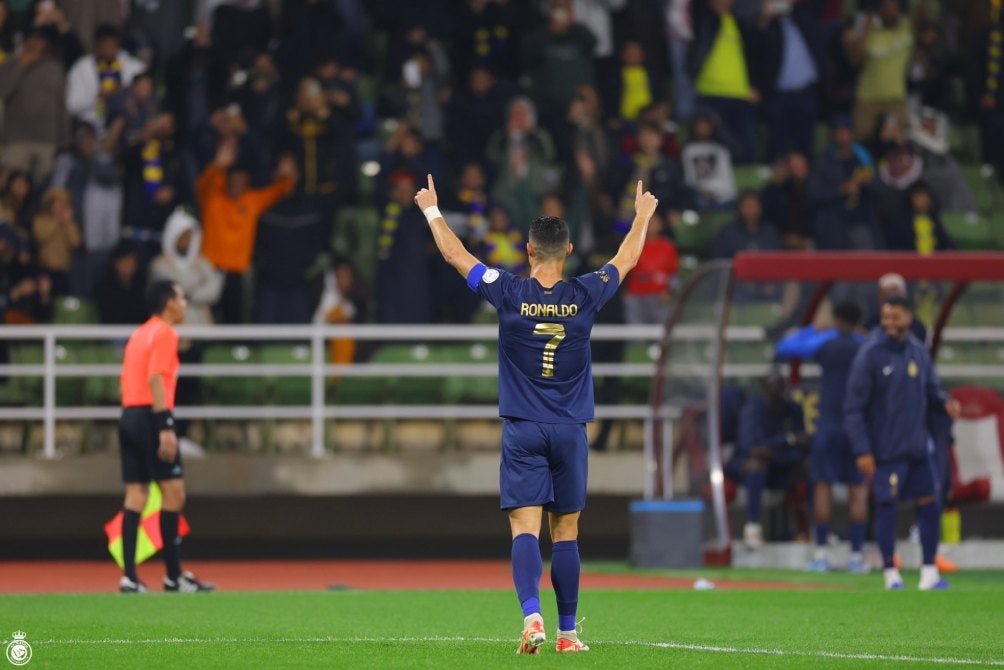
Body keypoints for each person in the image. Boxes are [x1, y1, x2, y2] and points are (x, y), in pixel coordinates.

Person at [414, 174, 657, 654]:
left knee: (524, 528)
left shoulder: (506, 291)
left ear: (528, 250)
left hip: (523, 429)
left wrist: (431, 210)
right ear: (567, 251)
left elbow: (455, 256)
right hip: (570, 429)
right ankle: (567, 634)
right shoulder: (587, 293)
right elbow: (626, 259)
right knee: (566, 530)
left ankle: (532, 619)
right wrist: (643, 214)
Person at [844, 295, 961, 591]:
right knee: (887, 506)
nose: (890, 323)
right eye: (886, 318)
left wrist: (946, 403)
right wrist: (863, 449)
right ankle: (890, 573)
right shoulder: (870, 355)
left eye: (895, 317)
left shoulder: (918, 352)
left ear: (909, 318)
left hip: (918, 448)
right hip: (887, 451)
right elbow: (854, 408)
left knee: (930, 504)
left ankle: (929, 571)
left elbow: (933, 391)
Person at [117, 280, 214, 593]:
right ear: (169, 302)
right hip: (149, 416)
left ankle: (129, 577)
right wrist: (166, 426)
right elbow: (156, 378)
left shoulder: (138, 334)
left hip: (129, 415)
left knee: (136, 496)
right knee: (174, 493)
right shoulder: (165, 333)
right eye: (182, 297)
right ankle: (173, 576)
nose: (185, 303)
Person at [776, 299, 869, 572]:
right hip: (856, 427)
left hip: (828, 425)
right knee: (858, 490)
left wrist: (814, 330)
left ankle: (821, 554)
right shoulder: (866, 347)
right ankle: (856, 556)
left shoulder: (826, 343)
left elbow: (785, 347)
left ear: (837, 319)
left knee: (822, 488)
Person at [728, 372, 810, 549]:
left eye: (781, 386)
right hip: (744, 465)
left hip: (781, 463)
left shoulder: (793, 409)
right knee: (756, 466)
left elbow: (803, 442)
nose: (778, 391)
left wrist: (783, 449)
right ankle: (752, 529)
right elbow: (753, 449)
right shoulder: (753, 409)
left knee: (809, 468)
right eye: (774, 386)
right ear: (765, 388)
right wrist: (787, 440)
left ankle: (812, 531)